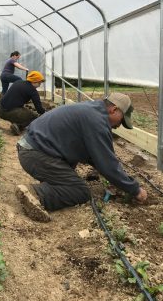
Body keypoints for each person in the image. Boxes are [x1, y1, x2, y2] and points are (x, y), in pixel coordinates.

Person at [16, 93, 148, 222]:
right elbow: (107, 163)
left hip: (33, 148)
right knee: (80, 191)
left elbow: (95, 156)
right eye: (122, 120)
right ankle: (36, 194)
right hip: (35, 153)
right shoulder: (98, 121)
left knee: (72, 167)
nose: (119, 126)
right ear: (113, 110)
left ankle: (52, 185)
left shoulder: (92, 110)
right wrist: (135, 190)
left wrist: (117, 179)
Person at [0, 71, 46, 135]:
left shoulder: (18, 82)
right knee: (35, 116)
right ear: (34, 81)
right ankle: (18, 126)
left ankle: (16, 122)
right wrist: (45, 113)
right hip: (10, 112)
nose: (39, 85)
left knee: (22, 110)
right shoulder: (33, 91)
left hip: (0, 110)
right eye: (39, 83)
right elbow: (39, 110)